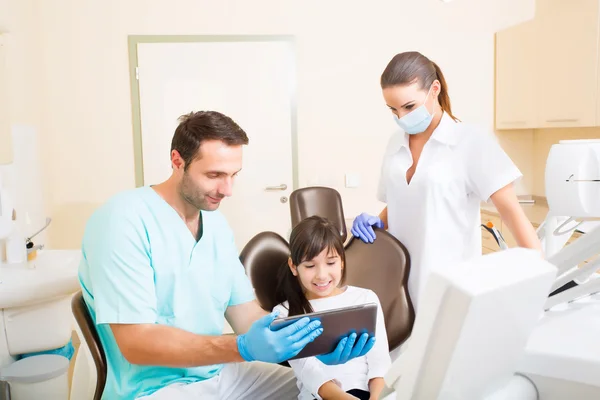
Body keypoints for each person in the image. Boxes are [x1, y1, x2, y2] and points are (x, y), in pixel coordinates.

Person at [78, 111, 374, 400]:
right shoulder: (122, 221)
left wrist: (315, 345)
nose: (227, 189)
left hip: (219, 374)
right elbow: (136, 344)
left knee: (324, 390)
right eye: (214, 175)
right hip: (153, 388)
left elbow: (247, 316)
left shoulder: (216, 224)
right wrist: (242, 348)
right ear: (177, 161)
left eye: (233, 175)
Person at [351, 51, 542, 313]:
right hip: (397, 289)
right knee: (400, 353)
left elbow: (511, 214)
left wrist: (540, 281)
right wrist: (377, 222)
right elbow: (400, 204)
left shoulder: (470, 142)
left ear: (434, 90)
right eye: (393, 110)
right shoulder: (395, 143)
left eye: (409, 107)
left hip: (450, 291)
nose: (402, 117)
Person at [274, 216, 391, 400]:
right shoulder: (285, 314)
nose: (322, 275)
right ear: (294, 266)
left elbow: (380, 367)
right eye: (310, 265)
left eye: (331, 263)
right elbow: (312, 376)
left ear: (342, 261)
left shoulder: (365, 299)